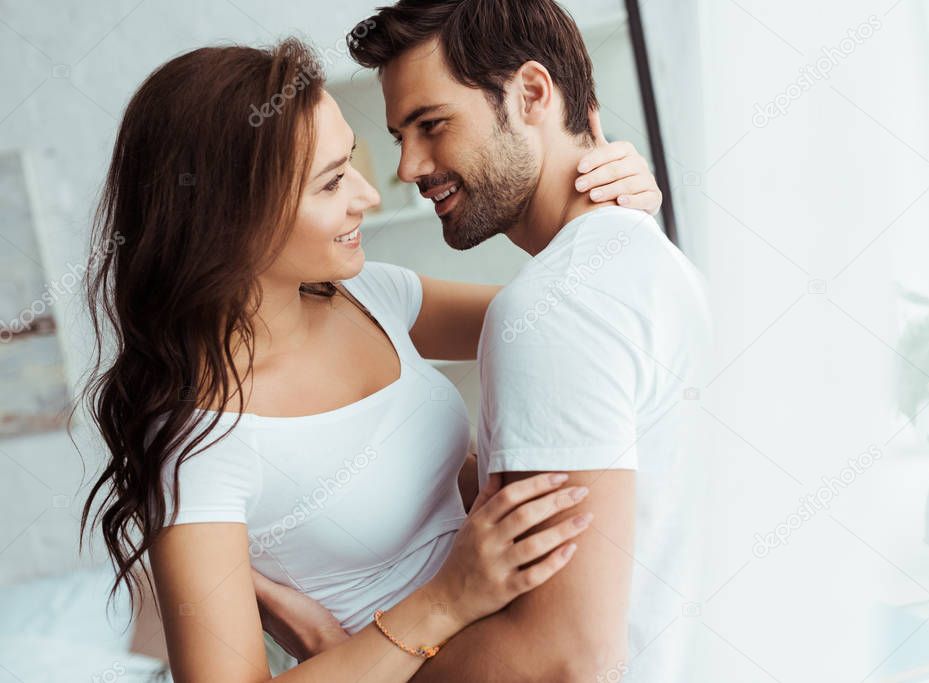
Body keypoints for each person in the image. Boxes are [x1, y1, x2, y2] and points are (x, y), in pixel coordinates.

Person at [78, 31, 665, 682]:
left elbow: (572, 318)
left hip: (542, 639)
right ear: (231, 217)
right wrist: (444, 600)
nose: (371, 195)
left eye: (352, 163)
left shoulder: (370, 296)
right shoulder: (199, 442)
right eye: (331, 183)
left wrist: (614, 208)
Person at [255, 1, 713, 680]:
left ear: (530, 94)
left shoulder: (554, 309)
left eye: (431, 125)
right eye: (398, 135)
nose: (406, 167)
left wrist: (341, 659)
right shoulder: (644, 256)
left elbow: (562, 659)